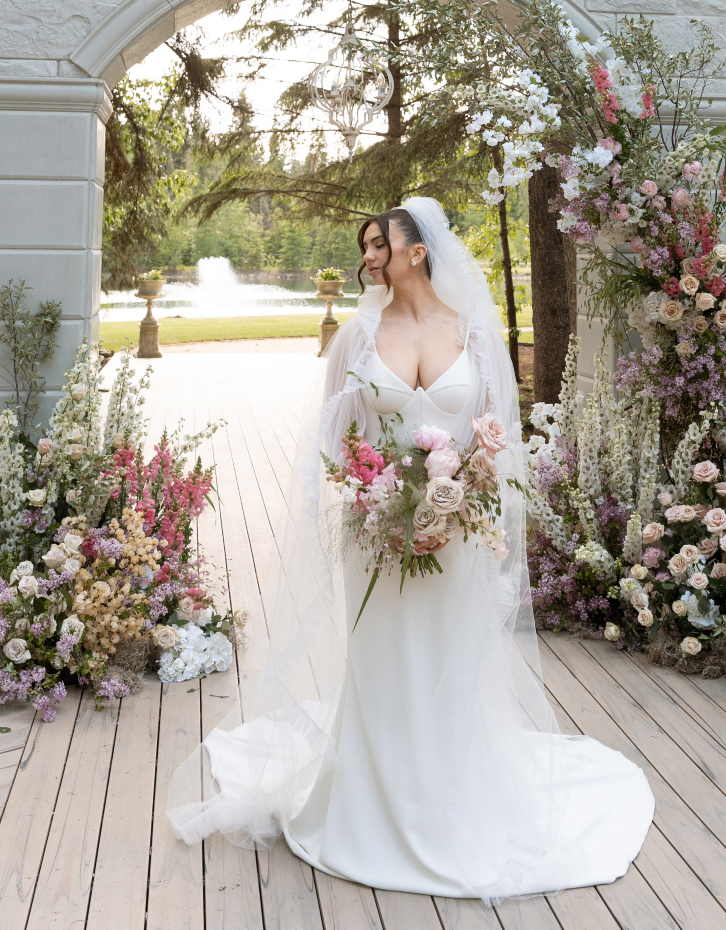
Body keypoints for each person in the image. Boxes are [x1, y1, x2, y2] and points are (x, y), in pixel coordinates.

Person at [167, 197, 653, 900]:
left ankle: (452, 797)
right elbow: (332, 447)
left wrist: (470, 494)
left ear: (417, 251)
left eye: (378, 244)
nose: (368, 257)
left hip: (454, 533)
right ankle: (371, 808)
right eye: (364, 246)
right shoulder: (356, 340)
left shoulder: (477, 338)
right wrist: (373, 495)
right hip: (376, 537)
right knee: (385, 667)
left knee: (449, 665)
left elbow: (501, 438)